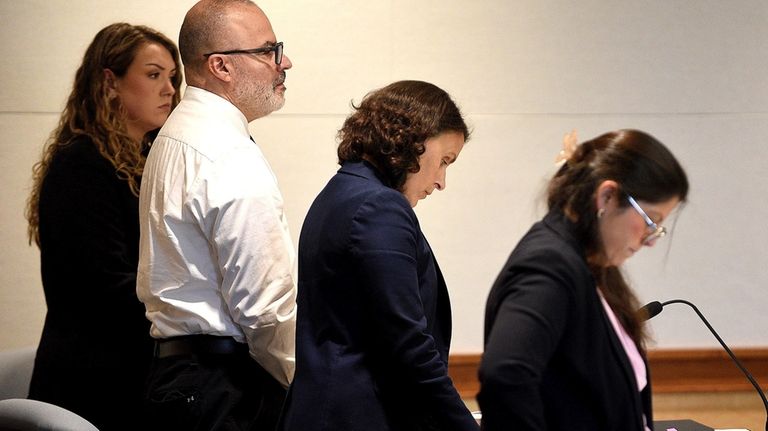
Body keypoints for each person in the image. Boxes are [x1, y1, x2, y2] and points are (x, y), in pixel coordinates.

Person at [279, 80, 479, 431]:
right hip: (357, 415)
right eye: (444, 161)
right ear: (414, 139)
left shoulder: (341, 190)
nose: (442, 181)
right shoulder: (379, 206)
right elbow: (409, 343)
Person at [136, 0, 296, 429]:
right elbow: (265, 308)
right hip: (225, 388)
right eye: (269, 51)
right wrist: (300, 382)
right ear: (221, 66)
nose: (285, 62)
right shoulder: (228, 153)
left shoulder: (174, 135)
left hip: (176, 379)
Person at [477, 129, 689, 431]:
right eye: (650, 220)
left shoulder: (587, 264)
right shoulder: (549, 264)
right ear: (606, 197)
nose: (650, 240)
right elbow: (505, 375)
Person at [24, 22, 181, 430]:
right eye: (153, 75)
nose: (169, 89)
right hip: (92, 382)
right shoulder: (82, 165)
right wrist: (186, 314)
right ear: (110, 82)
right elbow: (106, 287)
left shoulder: (144, 164)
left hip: (131, 369)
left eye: (172, 77)